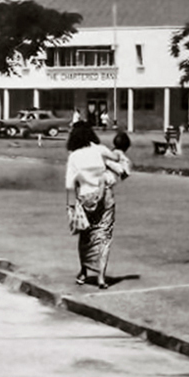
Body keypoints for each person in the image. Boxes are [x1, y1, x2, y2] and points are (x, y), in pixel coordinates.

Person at [65, 122, 130, 289]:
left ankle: (83, 272)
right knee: (104, 234)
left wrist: (71, 207)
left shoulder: (73, 156)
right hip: (104, 196)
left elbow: (70, 184)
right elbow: (116, 157)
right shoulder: (99, 149)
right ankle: (101, 277)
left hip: (84, 197)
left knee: (86, 236)